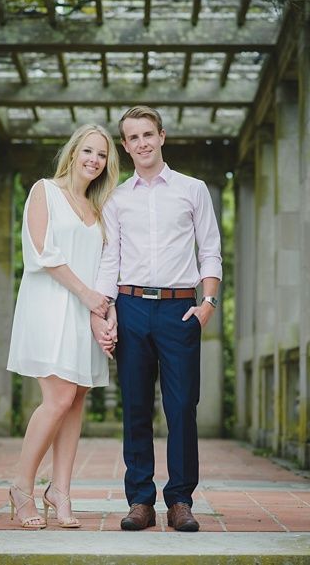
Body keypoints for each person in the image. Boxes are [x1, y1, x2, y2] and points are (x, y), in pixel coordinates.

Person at [92, 105, 222, 533]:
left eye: (148, 134)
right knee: (135, 406)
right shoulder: (116, 198)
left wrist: (207, 304)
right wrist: (105, 311)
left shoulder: (193, 189)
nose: (142, 143)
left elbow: (210, 250)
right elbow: (110, 260)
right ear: (125, 146)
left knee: (182, 406)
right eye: (133, 137)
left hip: (179, 309)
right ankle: (140, 501)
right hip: (130, 307)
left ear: (162, 136)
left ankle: (180, 500)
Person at [6, 123, 120, 529]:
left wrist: (105, 310)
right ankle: (21, 486)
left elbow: (108, 266)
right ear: (73, 152)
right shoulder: (45, 191)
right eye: (88, 150)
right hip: (50, 306)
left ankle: (61, 491)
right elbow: (42, 252)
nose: (94, 160)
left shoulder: (100, 208)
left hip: (86, 314)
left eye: (102, 155)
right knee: (58, 397)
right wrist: (87, 295)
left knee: (76, 399)